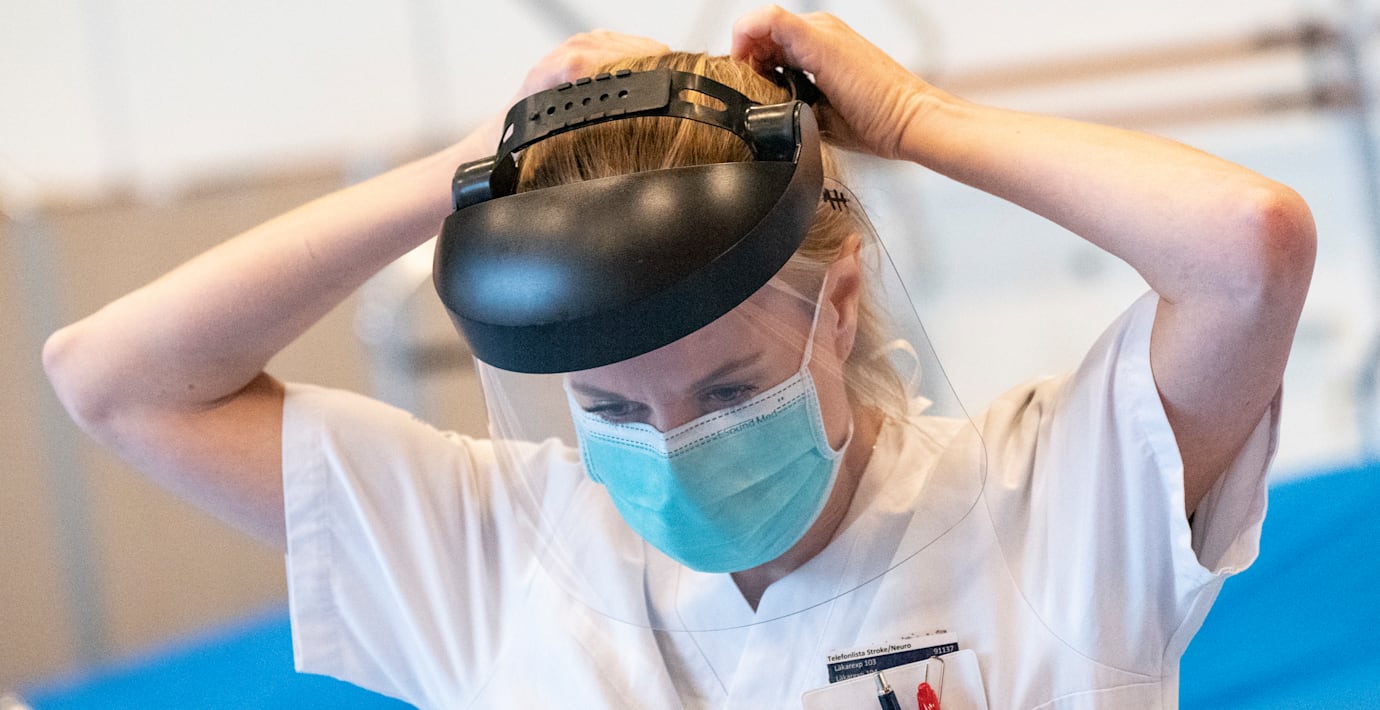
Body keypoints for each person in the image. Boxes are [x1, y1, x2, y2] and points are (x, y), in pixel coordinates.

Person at [42, 6, 1315, 708]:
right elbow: (114, 377)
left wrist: (917, 118)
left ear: (838, 307)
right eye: (610, 407)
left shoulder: (1051, 506)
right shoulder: (498, 552)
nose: (672, 448)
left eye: (727, 389)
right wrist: (479, 165)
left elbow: (1249, 247)